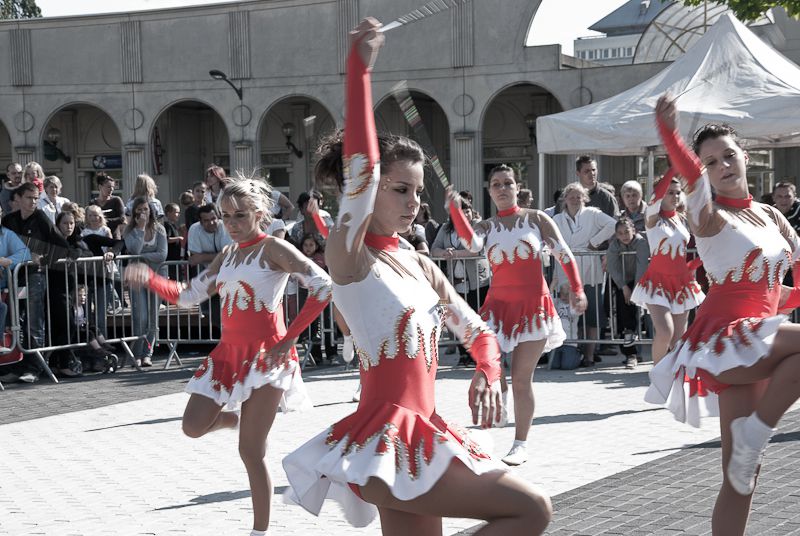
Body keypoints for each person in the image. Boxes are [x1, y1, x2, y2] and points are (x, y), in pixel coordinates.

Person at [283, 19, 552, 535]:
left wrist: (488, 372)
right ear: (364, 190)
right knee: (530, 509)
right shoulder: (350, 253)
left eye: (418, 191)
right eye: (399, 189)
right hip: (387, 439)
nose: (414, 202)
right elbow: (361, 167)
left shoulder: (419, 261)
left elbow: (478, 331)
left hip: (423, 437)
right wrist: (359, 71)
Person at [125, 175, 331, 536]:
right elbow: (190, 295)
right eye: (225, 217)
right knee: (192, 427)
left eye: (239, 216)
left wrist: (290, 339)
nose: (232, 224)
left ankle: (259, 531)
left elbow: (322, 285)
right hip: (229, 354)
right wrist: (152, 280)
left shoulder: (273, 249)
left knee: (250, 453)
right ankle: (237, 421)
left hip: (269, 357)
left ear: (259, 213)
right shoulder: (228, 254)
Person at [646, 94, 800, 534]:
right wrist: (669, 134)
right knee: (747, 455)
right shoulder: (708, 216)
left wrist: (789, 294)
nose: (723, 166)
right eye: (712, 162)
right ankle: (761, 428)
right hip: (729, 342)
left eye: (729, 155)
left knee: (741, 477)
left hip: (760, 340)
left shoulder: (770, 215)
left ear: (745, 156)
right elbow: (690, 178)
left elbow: (788, 281)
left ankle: (753, 437)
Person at [449, 164, 587, 465]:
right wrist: (456, 211)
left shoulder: (536, 219)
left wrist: (578, 289)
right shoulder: (486, 227)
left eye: (507, 183)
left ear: (516, 187)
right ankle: (488, 430)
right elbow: (470, 243)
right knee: (490, 374)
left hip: (534, 310)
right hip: (497, 311)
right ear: (489, 191)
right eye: (496, 184)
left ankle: (520, 443)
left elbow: (564, 254)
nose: (502, 188)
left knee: (522, 379)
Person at [630, 170, 705, 365]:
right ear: (660, 195)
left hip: (682, 283)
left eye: (677, 192)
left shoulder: (681, 219)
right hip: (657, 282)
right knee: (665, 331)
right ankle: (658, 375)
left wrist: (695, 264)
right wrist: (673, 167)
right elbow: (656, 198)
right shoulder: (652, 219)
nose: (675, 196)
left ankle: (675, 377)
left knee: (678, 340)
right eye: (669, 192)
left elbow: (696, 251)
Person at [2, 182, 71, 381]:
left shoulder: (40, 218)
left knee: (34, 321)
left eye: (35, 198)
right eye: (29, 198)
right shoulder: (8, 220)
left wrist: (43, 258)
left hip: (35, 276)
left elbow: (62, 245)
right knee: (16, 323)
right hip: (13, 277)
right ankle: (18, 365)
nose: (33, 202)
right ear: (18, 199)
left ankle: (35, 367)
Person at [552, 181, 616, 368]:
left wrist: (594, 242)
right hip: (565, 269)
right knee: (570, 312)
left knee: (591, 313)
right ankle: (572, 351)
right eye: (571, 196)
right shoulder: (557, 219)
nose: (574, 200)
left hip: (589, 268)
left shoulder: (593, 214)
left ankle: (589, 355)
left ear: (585, 198)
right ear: (565, 199)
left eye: (578, 196)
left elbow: (612, 225)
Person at [430, 198, 491, 365]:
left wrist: (454, 254)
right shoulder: (445, 228)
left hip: (477, 282)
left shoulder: (478, 225)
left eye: (467, 210)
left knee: (476, 318)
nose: (465, 213)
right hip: (455, 282)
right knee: (458, 317)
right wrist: (444, 252)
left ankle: (478, 354)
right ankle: (464, 354)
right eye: (460, 210)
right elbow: (434, 249)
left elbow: (476, 251)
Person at [123, 197, 167, 367]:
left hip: (156, 277)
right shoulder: (130, 230)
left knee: (152, 318)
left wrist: (141, 257)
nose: (143, 213)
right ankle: (138, 353)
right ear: (134, 212)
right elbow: (134, 249)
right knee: (140, 317)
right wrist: (140, 229)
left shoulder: (160, 229)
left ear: (151, 211)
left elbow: (162, 255)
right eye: (139, 210)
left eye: (146, 209)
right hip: (137, 279)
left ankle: (148, 353)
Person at [606, 217, 650, 369]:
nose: (624, 235)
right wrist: (624, 287)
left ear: (634, 231)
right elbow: (612, 266)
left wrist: (636, 291)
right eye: (620, 233)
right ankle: (629, 353)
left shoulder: (641, 243)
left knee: (638, 316)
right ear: (616, 235)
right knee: (624, 316)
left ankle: (637, 352)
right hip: (622, 282)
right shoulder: (614, 245)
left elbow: (642, 265)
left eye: (627, 232)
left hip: (640, 281)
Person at [0, 206, 31, 358]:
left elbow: (25, 253)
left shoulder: (7, 235)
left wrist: (8, 261)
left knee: (2, 308)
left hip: (2, 287)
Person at [187, 204, 232, 270]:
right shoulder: (194, 228)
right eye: (206, 220)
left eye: (213, 218)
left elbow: (228, 255)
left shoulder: (226, 227)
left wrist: (202, 257)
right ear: (201, 222)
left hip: (228, 270)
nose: (211, 223)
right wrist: (219, 255)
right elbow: (195, 258)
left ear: (218, 217)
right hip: (205, 272)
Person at [772, 180, 800, 286]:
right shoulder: (767, 214)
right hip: (777, 266)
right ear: (773, 198)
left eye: (787, 196)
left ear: (794, 196)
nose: (784, 200)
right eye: (779, 196)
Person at [548, 284, 582, 370]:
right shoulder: (556, 302)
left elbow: (575, 312)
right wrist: (552, 287)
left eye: (567, 294)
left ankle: (579, 356)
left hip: (570, 341)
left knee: (567, 366)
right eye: (562, 293)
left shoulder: (574, 305)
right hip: (556, 340)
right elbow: (549, 301)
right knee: (553, 365)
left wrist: (574, 298)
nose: (564, 296)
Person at [91, 173, 126, 238]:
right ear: (100, 187)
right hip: (98, 237)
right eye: (109, 187)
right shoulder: (93, 203)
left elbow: (122, 219)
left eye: (113, 187)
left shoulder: (116, 200)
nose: (111, 189)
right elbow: (89, 220)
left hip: (114, 238)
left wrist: (103, 221)